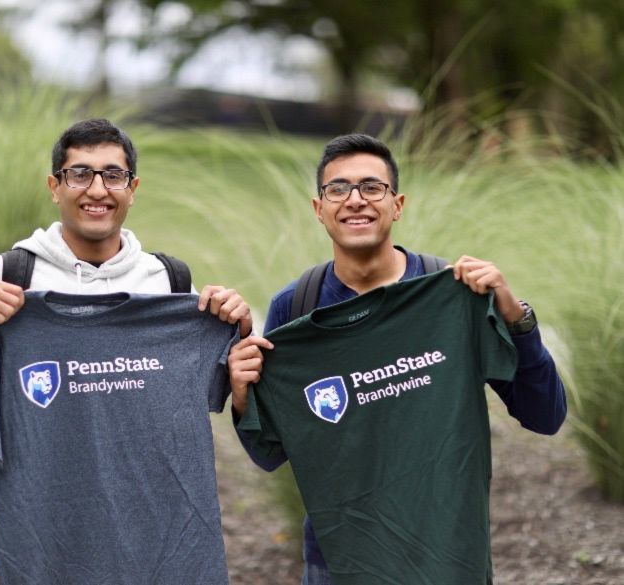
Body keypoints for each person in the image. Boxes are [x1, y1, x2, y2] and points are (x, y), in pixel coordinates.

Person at [0, 118, 253, 584]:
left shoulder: (170, 284)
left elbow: (222, 392)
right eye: (80, 174)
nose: (96, 189)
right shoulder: (12, 275)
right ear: (55, 187)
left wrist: (233, 327)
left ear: (132, 188)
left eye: (112, 175)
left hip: (158, 553)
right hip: (49, 552)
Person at [227, 133, 567, 584]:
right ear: (319, 208)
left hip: (446, 556)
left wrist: (516, 318)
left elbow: (545, 415)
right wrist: (243, 395)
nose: (355, 201)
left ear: (397, 203)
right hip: (338, 562)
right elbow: (270, 451)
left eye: (372, 187)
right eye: (338, 189)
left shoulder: (453, 294)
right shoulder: (296, 306)